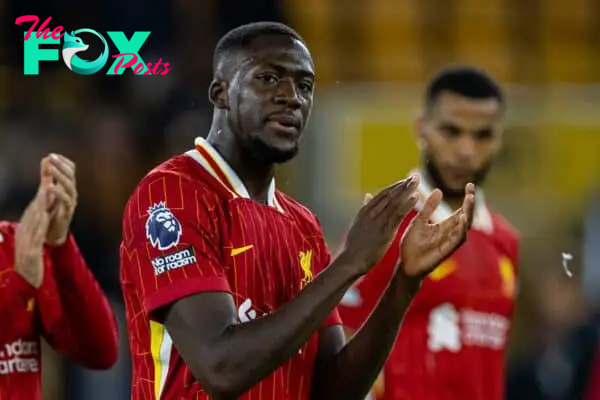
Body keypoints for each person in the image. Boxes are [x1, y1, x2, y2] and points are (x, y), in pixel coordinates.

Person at [120, 22, 475, 400]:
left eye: (304, 86)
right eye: (269, 78)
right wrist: (349, 263)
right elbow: (220, 368)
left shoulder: (301, 225)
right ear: (220, 93)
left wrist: (405, 281)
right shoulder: (172, 193)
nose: (291, 96)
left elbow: (332, 391)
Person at [338, 66, 520, 400]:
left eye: (482, 136)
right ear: (421, 127)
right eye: (451, 131)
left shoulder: (506, 242)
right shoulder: (386, 223)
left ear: (498, 141)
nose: (466, 150)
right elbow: (338, 346)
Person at [0, 154, 118, 399]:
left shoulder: (15, 246)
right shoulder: (21, 261)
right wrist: (20, 287)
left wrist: (60, 246)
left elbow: (100, 351)